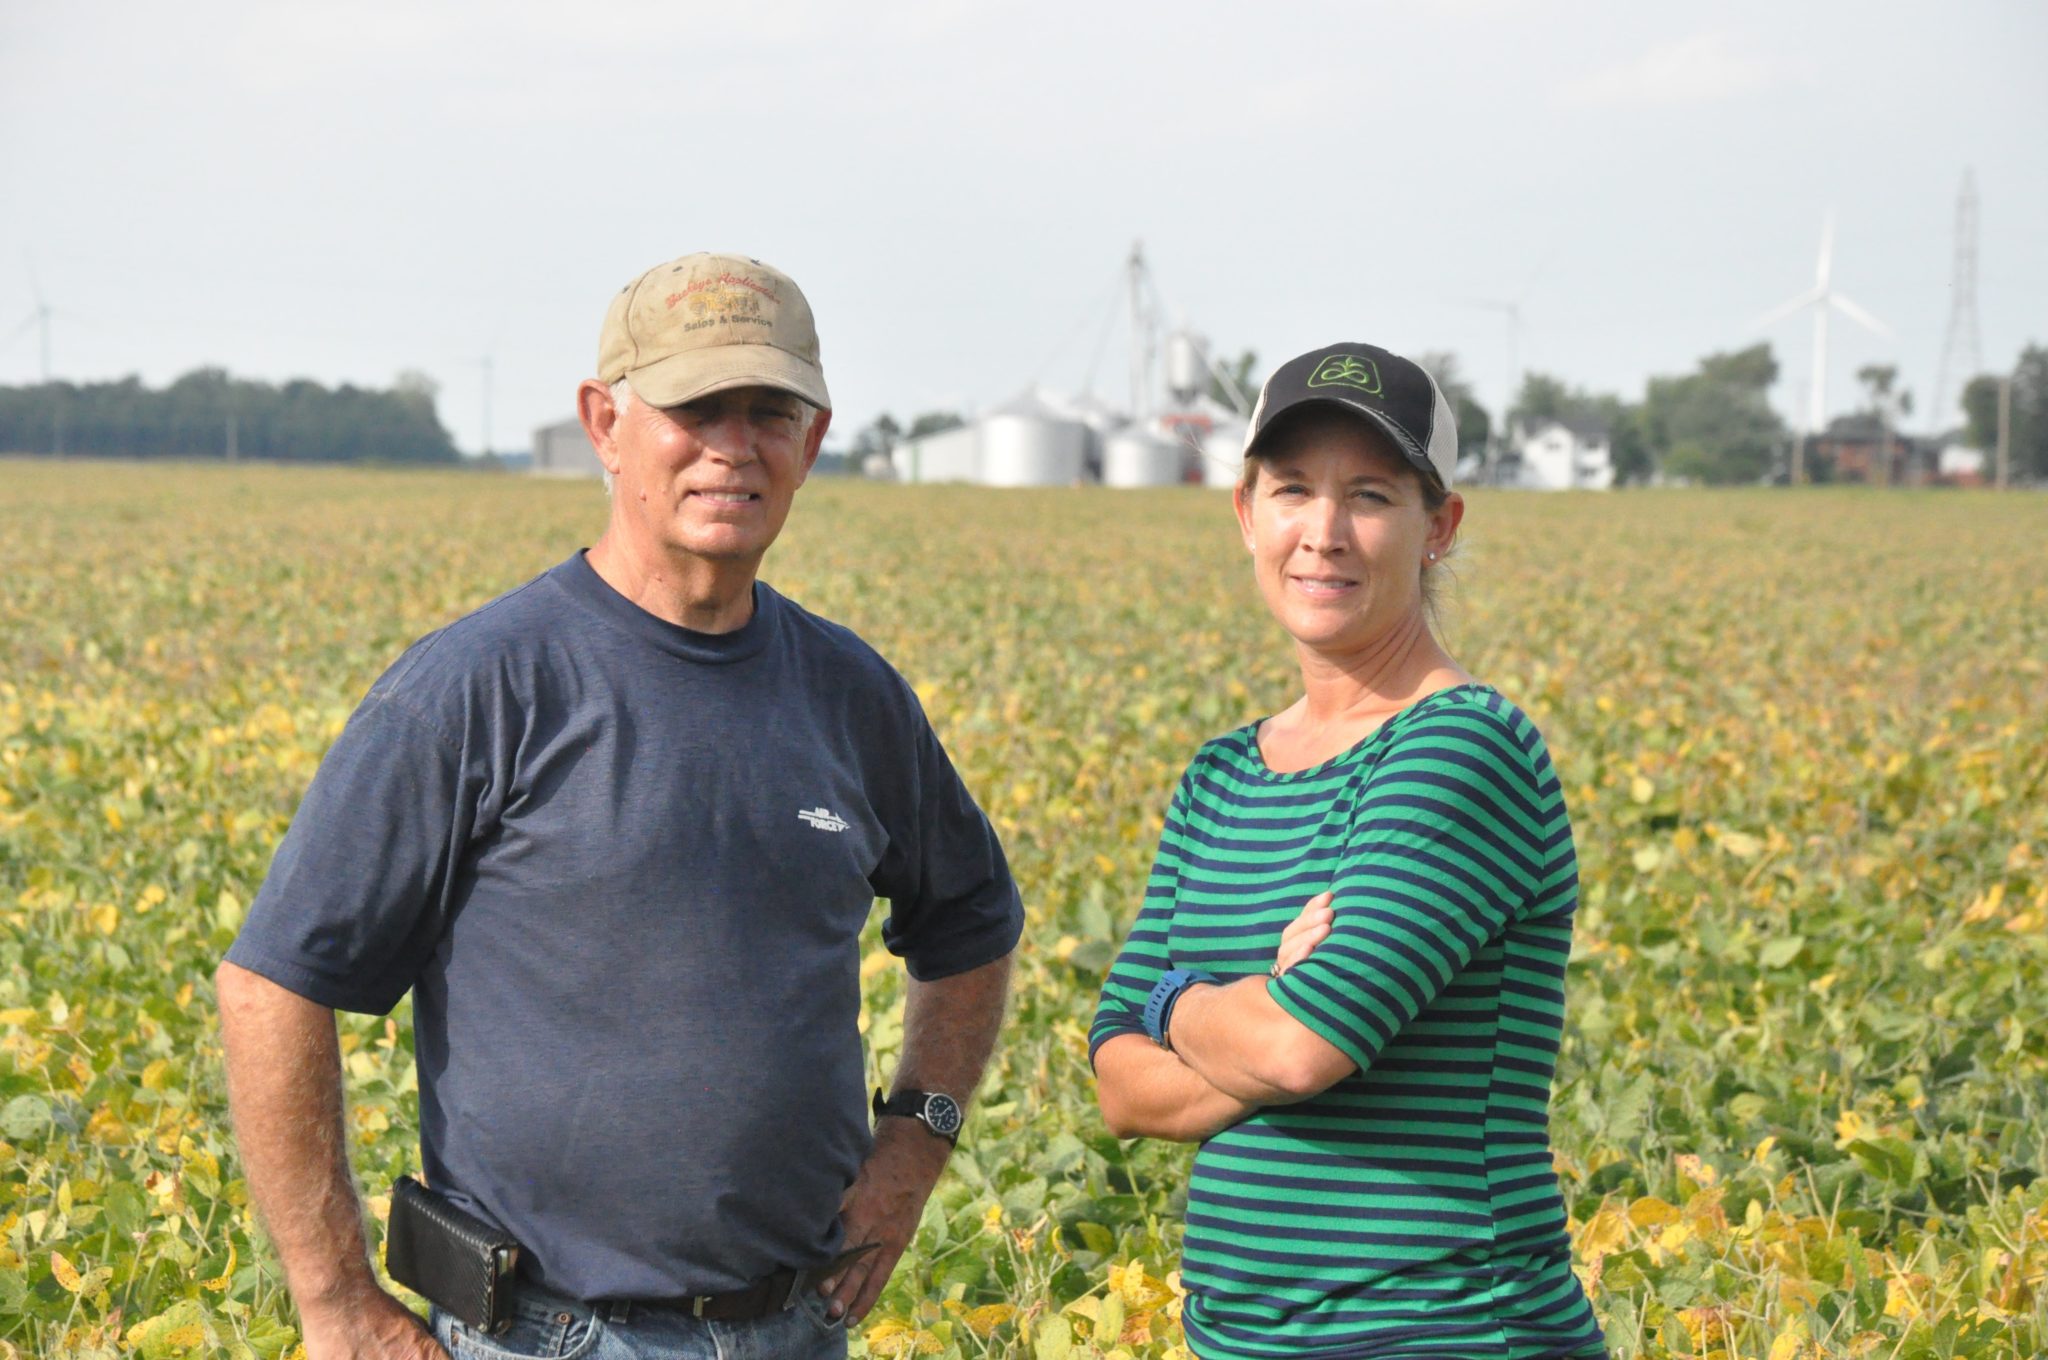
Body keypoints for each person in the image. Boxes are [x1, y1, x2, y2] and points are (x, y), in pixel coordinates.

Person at [216, 251, 1022, 1360]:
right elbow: (272, 983)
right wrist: (334, 1297)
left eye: (767, 412)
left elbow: (972, 920)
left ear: (812, 442)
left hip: (796, 1326)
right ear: (605, 423)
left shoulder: (850, 694)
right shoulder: (476, 688)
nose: (732, 447)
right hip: (541, 1335)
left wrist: (916, 1141)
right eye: (694, 409)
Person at [1090, 343, 1606, 1359]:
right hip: (1238, 1339)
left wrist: (1176, 1004)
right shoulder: (1222, 775)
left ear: (1437, 528)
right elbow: (1117, 1085)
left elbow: (1297, 1048)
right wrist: (1258, 1006)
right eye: (1291, 490)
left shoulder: (1458, 747)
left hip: (1439, 1329)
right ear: (1246, 513)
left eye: (1368, 495)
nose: (1321, 533)